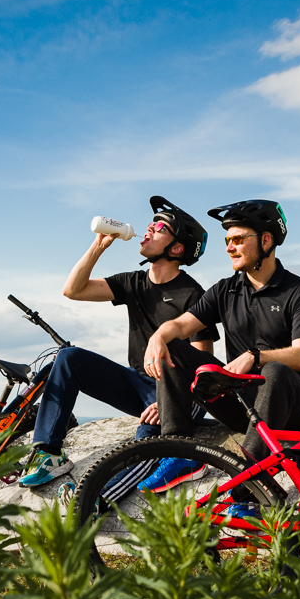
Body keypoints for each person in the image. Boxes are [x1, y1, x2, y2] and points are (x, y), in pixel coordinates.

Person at [18, 196, 218, 487]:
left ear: (177, 248)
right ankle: (50, 453)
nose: (149, 229)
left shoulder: (193, 295)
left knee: (146, 444)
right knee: (69, 357)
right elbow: (73, 290)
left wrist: (168, 404)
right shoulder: (133, 282)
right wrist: (98, 246)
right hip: (137, 383)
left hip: (174, 391)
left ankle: (97, 496)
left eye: (160, 227)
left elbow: (203, 365)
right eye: (150, 224)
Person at [138, 199, 300, 501]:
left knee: (274, 371)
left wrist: (256, 356)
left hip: (290, 406)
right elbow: (182, 325)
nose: (229, 248)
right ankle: (179, 454)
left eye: (237, 240)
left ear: (266, 241)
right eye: (227, 241)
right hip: (243, 404)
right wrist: (158, 336)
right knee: (174, 347)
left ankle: (246, 488)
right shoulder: (225, 289)